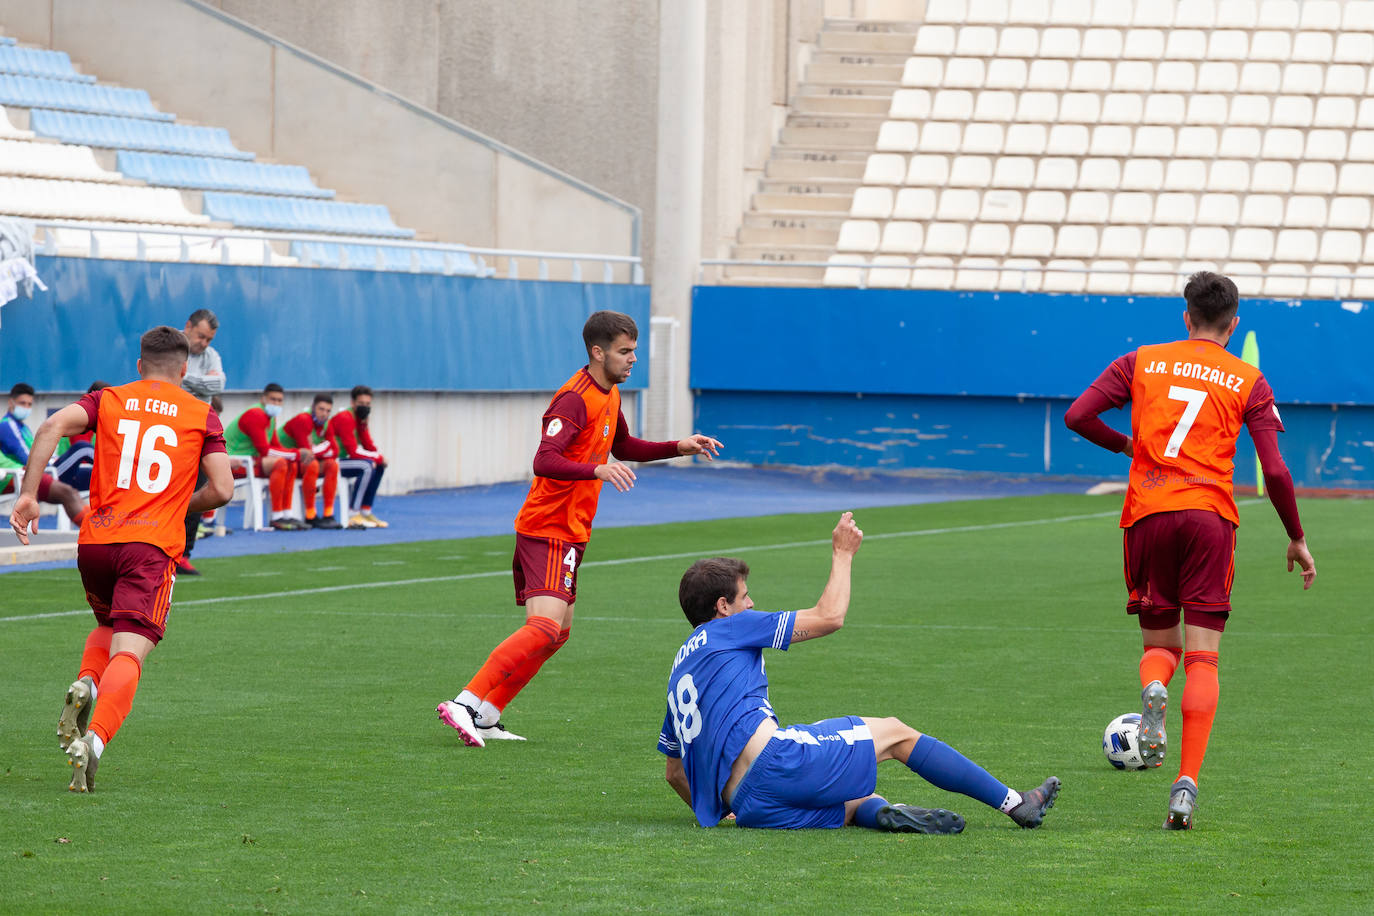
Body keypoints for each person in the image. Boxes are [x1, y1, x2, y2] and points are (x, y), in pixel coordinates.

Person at [1064, 270, 1316, 830]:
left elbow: (1078, 416)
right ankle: (1185, 786)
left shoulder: (1142, 361)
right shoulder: (1249, 380)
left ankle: (1153, 684)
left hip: (1147, 515)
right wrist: (1295, 536)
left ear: (1186, 317)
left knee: (1161, 645)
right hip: (1208, 520)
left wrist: (1129, 446)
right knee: (1205, 656)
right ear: (1234, 323)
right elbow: (1273, 468)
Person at [658, 512, 1060, 832]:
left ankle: (887, 813)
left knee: (850, 803)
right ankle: (1016, 803)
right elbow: (829, 617)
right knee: (896, 733)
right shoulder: (730, 625)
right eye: (745, 597)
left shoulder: (680, 668)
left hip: (750, 805)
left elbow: (674, 772)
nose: (752, 604)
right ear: (723, 606)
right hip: (778, 764)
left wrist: (718, 810)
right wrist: (843, 553)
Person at [437, 309, 724, 746]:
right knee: (545, 628)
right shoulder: (574, 398)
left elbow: (623, 445)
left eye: (634, 351)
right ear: (598, 351)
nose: (632, 360)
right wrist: (597, 470)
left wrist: (679, 445)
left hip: (572, 530)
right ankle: (466, 701)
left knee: (558, 633)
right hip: (548, 526)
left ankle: (489, 714)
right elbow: (544, 459)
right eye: (624, 352)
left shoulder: (610, 394)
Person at [8, 325, 233, 792]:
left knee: (111, 626)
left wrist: (29, 496)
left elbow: (50, 426)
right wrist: (172, 506)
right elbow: (223, 490)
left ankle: (87, 683)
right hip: (149, 548)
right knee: (133, 648)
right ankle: (95, 742)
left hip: (96, 542)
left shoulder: (107, 399)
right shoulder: (201, 413)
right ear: (185, 368)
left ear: (138, 365)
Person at [177, 309, 227, 574]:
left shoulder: (212, 356)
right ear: (188, 326)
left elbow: (218, 385)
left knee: (198, 492)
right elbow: (168, 384)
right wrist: (200, 383)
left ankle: (184, 553)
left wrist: (187, 379)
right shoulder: (171, 348)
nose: (204, 344)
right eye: (201, 336)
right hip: (171, 428)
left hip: (197, 430)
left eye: (209, 339)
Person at [0, 382, 89, 528]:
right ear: (11, 403)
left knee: (89, 480)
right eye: (23, 403)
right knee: (82, 450)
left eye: (29, 404)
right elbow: (25, 456)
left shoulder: (22, 427)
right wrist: (50, 464)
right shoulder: (7, 425)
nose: (26, 408)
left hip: (38, 470)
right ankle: (96, 534)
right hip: (22, 476)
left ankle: (105, 529)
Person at [224, 383, 305, 531]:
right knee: (281, 463)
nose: (276, 403)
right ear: (263, 399)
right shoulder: (256, 414)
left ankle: (286, 514)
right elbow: (265, 450)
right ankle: (276, 517)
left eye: (279, 400)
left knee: (291, 464)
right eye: (273, 399)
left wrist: (294, 456)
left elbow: (276, 445)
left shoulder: (271, 418)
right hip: (232, 463)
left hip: (250, 461)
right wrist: (297, 453)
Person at [328, 385, 388, 529]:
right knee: (366, 465)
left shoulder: (360, 419)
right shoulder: (345, 418)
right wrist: (377, 457)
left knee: (378, 466)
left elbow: (368, 445)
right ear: (353, 403)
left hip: (343, 460)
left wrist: (363, 427)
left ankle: (365, 511)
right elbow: (353, 451)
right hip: (332, 461)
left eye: (368, 404)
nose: (365, 407)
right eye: (361, 404)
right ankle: (353, 514)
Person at [280, 393, 342, 529]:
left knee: (332, 465)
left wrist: (318, 449)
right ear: (313, 407)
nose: (324, 414)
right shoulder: (303, 419)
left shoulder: (327, 423)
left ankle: (328, 514)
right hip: (285, 461)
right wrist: (325, 447)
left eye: (328, 411)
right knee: (312, 464)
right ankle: (310, 515)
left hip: (300, 461)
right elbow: (307, 454)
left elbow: (335, 451)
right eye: (321, 409)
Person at [51, 380, 109, 491]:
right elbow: (82, 457)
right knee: (84, 449)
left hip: (75, 469)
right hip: (68, 470)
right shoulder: (83, 421)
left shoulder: (100, 424)